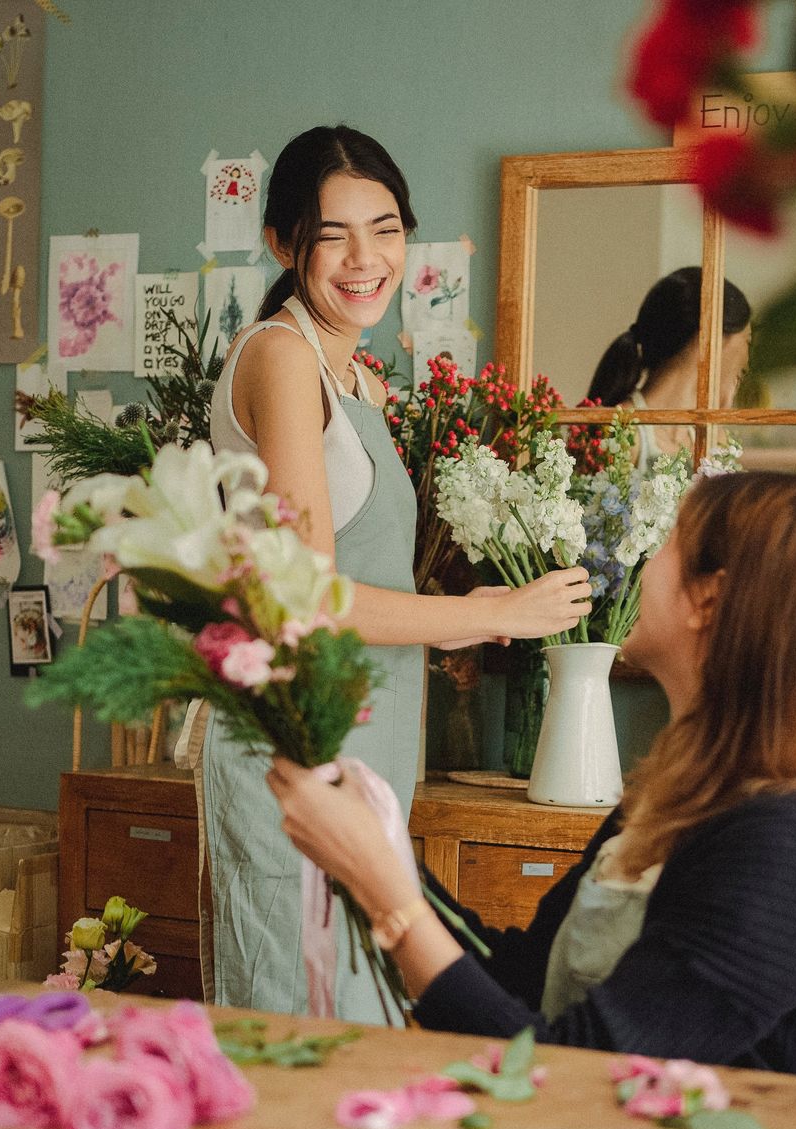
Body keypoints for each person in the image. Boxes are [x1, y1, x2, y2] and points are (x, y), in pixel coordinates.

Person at [268, 470, 796, 1077]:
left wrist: (391, 899)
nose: (639, 564)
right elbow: (524, 979)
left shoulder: (790, 851)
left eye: (664, 546)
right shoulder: (680, 797)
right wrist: (368, 853)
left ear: (708, 601)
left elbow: (577, 1071)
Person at [200, 124, 591, 1021]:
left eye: (385, 228)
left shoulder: (361, 380)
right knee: (299, 1025)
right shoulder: (282, 358)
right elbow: (303, 594)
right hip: (293, 743)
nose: (365, 258)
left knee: (363, 1016)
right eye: (333, 234)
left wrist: (479, 607)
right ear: (283, 244)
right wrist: (494, 613)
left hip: (366, 737)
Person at [586, 266, 752, 471]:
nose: (747, 353)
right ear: (707, 340)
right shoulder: (623, 434)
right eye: (746, 339)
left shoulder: (714, 438)